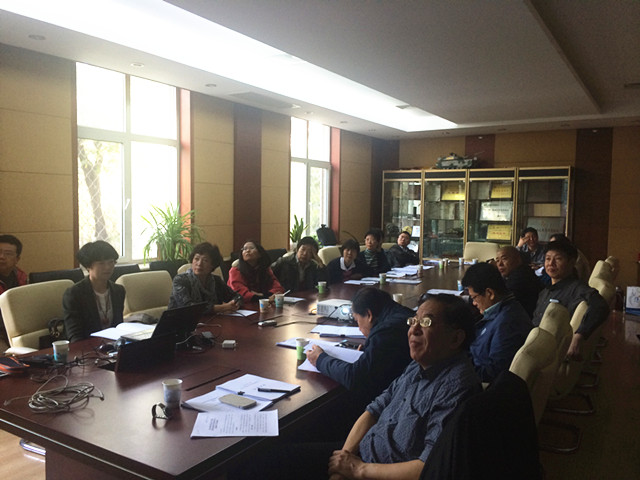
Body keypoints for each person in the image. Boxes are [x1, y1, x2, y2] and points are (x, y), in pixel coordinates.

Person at [228, 294, 481, 480]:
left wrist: (357, 470)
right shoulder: (420, 364)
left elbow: (429, 467)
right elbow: (374, 409)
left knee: (263, 466)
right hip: (362, 455)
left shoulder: (456, 387)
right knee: (259, 461)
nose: (413, 329)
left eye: (426, 323)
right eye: (413, 320)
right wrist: (344, 458)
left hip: (377, 471)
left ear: (456, 338)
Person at [306, 288, 413, 412]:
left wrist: (320, 360)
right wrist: (371, 350)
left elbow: (355, 378)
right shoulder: (402, 313)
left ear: (369, 315)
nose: (359, 328)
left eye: (357, 321)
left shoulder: (385, 332)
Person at [532, 241, 609, 360]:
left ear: (572, 262)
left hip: (547, 352)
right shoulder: (545, 291)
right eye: (548, 259)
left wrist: (579, 335)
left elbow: (600, 305)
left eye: (558, 259)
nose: (551, 263)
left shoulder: (577, 288)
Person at [461, 263, 532, 383]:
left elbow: (493, 373)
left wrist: (457, 367)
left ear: (490, 293)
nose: (474, 303)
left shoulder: (507, 324)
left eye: (474, 297)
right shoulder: (508, 308)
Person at [63, 240, 126, 343]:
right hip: (85, 348)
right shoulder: (74, 294)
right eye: (101, 263)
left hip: (112, 347)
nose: (108, 267)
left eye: (111, 262)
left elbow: (118, 327)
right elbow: (75, 335)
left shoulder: (118, 291)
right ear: (88, 266)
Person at [168, 242, 239, 314]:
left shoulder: (216, 281)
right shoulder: (180, 280)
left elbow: (237, 297)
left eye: (205, 260)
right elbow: (188, 308)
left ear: (213, 264)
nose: (199, 264)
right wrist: (222, 308)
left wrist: (234, 304)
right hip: (180, 320)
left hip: (212, 320)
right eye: (196, 259)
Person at [495, 246, 543, 318]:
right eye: (497, 261)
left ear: (517, 259)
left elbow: (499, 300)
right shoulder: (517, 273)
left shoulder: (521, 277)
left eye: (504, 259)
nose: (500, 264)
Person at [0, 234, 28, 341]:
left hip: (18, 329)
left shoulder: (22, 278)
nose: (2, 257)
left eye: (8, 254)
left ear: (17, 259)